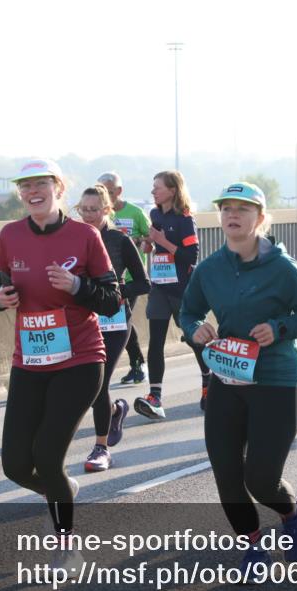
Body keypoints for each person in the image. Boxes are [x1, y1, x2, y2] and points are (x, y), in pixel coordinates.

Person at [180, 181, 297, 571]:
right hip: (228, 379)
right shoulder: (210, 269)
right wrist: (195, 328)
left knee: (260, 480)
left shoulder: (281, 267)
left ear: (260, 218)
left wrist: (278, 328)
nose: (233, 215)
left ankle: (293, 513)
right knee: (227, 473)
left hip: (277, 381)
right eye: (226, 208)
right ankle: (253, 547)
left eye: (242, 209)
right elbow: (188, 310)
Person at [0, 159, 120, 545]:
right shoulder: (10, 234)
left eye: (41, 184)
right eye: (25, 186)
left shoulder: (85, 236)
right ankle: (59, 487)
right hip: (29, 360)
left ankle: (66, 546)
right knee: (15, 465)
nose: (32, 192)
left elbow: (112, 300)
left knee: (47, 456)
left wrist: (78, 287)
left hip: (80, 359)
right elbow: (1, 286)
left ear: (58, 188)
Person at [75, 185, 150, 472]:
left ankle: (100, 447)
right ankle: (116, 410)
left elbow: (144, 283)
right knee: (84, 386)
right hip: (83, 320)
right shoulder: (73, 237)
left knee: (100, 383)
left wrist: (118, 292)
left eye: (95, 209)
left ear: (107, 210)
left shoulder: (119, 240)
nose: (89, 215)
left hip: (116, 322)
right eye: (84, 209)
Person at [133, 170, 210, 420]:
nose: (153, 191)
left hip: (182, 290)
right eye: (153, 186)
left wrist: (163, 242)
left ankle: (209, 384)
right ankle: (155, 397)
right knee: (155, 342)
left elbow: (191, 257)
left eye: (158, 187)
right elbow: (154, 243)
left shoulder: (185, 219)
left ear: (173, 190)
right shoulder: (155, 214)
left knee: (193, 338)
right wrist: (149, 245)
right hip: (159, 287)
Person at [97, 172, 150, 385]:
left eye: (109, 192)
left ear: (118, 192)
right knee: (119, 322)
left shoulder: (135, 212)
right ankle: (136, 363)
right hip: (105, 280)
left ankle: (138, 364)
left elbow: (150, 237)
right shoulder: (97, 215)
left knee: (122, 321)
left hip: (128, 279)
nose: (105, 197)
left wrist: (138, 240)